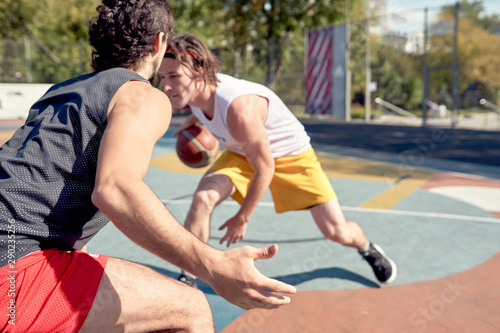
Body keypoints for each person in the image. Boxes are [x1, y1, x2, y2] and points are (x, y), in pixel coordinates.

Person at [0, 2, 296, 332]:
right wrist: (214, 265)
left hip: (17, 253)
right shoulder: (141, 93)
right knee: (192, 308)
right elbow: (115, 188)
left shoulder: (58, 93)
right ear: (159, 44)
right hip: (15, 273)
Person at [158, 33, 397, 289]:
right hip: (241, 153)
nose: (166, 86)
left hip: (290, 156)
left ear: (199, 72)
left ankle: (367, 248)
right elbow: (205, 111)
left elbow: (266, 167)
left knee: (336, 231)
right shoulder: (193, 97)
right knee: (203, 198)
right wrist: (191, 123)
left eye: (174, 77)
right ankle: (189, 275)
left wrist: (243, 217)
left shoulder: (240, 109)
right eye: (163, 77)